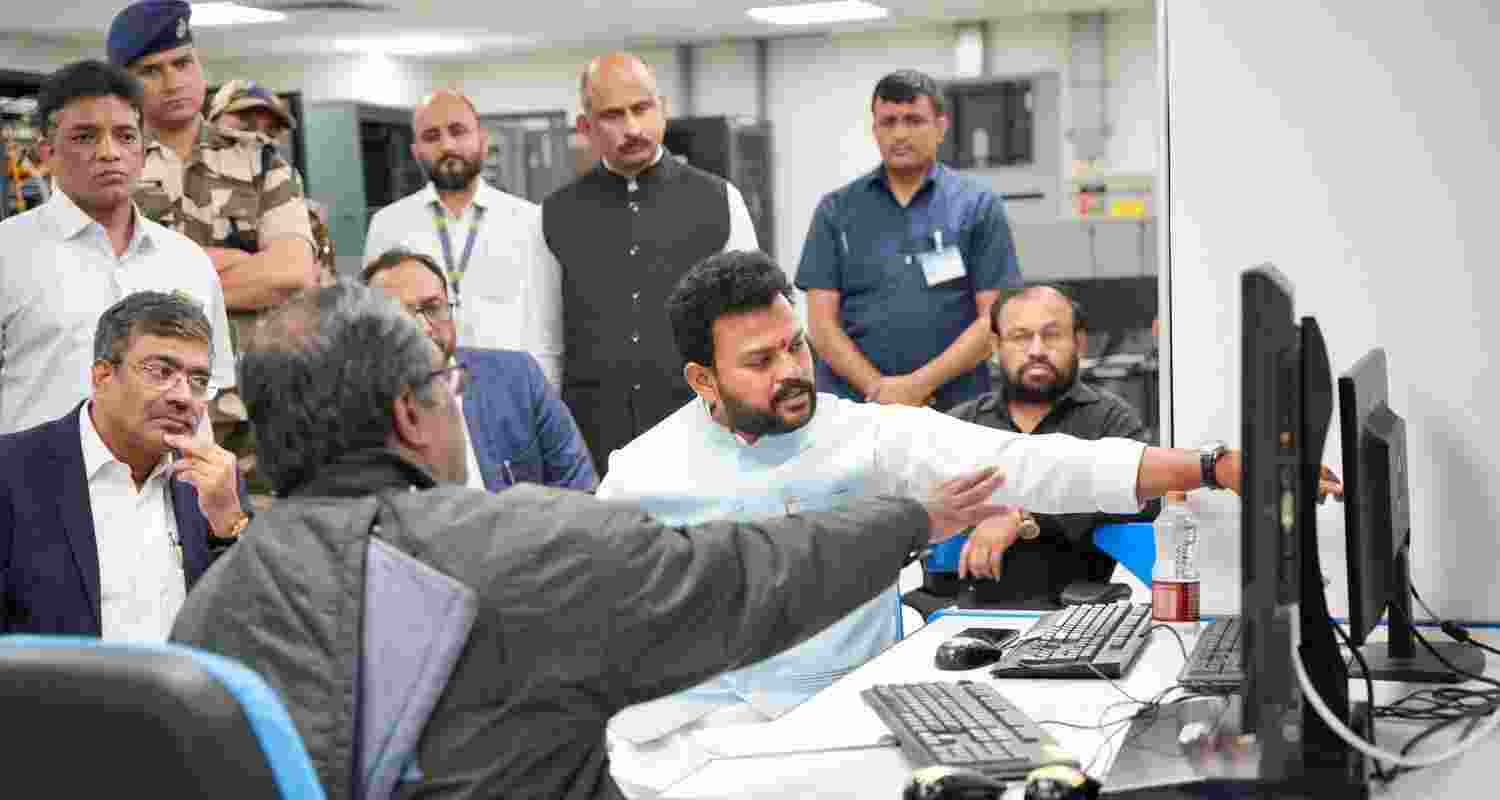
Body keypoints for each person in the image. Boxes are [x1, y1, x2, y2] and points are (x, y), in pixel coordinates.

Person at [169, 278, 1011, 800]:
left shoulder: (210, 616)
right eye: (444, 384)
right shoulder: (524, 547)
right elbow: (749, 578)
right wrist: (914, 517)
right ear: (407, 415)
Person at [595, 249, 1264, 796]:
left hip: (836, 726)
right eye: (760, 362)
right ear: (703, 380)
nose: (793, 371)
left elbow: (1035, 463)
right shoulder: (641, 474)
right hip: (684, 749)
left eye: (795, 346)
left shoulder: (860, 435)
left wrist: (1210, 466)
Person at [109, 0, 318, 483]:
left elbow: (290, 274)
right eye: (151, 70)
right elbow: (105, 284)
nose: (172, 80)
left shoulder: (261, 162)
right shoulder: (112, 168)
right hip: (144, 416)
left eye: (183, 63)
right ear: (127, 82)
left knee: (260, 545)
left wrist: (162, 276)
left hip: (255, 406)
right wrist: (239, 266)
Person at [541, 52, 759, 467]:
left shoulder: (719, 200)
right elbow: (545, 343)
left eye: (641, 108)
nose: (632, 128)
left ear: (664, 109)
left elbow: (752, 324)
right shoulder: (555, 214)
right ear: (585, 127)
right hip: (593, 436)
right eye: (612, 115)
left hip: (701, 431)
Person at [0, 59, 234, 435]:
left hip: (166, 484)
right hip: (35, 486)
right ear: (46, 153)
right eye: (85, 137)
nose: (109, 152)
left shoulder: (187, 261)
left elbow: (209, 388)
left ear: (143, 149)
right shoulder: (9, 253)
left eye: (125, 136)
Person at [0, 291, 250, 638]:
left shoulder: (215, 484)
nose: (182, 396)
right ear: (102, 377)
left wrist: (229, 525)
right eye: (161, 371)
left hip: (175, 692)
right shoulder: (13, 472)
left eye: (198, 382)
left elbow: (248, 630)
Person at [796, 69, 1021, 413]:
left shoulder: (977, 206)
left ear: (941, 127)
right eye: (888, 122)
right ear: (875, 130)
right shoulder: (836, 211)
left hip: (955, 407)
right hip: (856, 408)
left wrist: (919, 385)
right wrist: (878, 389)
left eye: (914, 120)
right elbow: (821, 326)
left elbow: (993, 319)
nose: (900, 133)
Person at [932, 285, 1160, 609]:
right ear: (996, 346)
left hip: (1084, 620)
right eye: (1021, 336)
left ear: (1078, 343)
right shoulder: (961, 425)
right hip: (970, 618)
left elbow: (1147, 496)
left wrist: (1021, 518)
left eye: (1051, 335)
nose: (1036, 350)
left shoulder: (1110, 421)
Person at [363, 88, 562, 386]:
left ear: (482, 140)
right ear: (416, 151)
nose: (447, 145)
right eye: (432, 136)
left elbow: (548, 331)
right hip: (420, 393)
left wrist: (544, 403)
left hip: (510, 395)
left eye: (458, 131)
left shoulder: (529, 220)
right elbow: (376, 327)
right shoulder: (388, 225)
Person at [362, 247, 596, 491]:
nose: (424, 328)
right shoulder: (360, 411)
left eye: (433, 308)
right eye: (401, 316)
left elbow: (580, 490)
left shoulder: (517, 380)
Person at [206, 79, 336, 284]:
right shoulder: (173, 173)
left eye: (271, 129)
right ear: (214, 118)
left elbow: (298, 279)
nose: (258, 136)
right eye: (244, 119)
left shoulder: (294, 200)